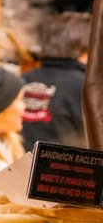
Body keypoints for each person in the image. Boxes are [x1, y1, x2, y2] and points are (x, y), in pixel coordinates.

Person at [22, 11, 90, 148]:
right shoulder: (87, 88)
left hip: (18, 166)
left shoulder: (23, 79)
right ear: (86, 51)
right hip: (66, 167)